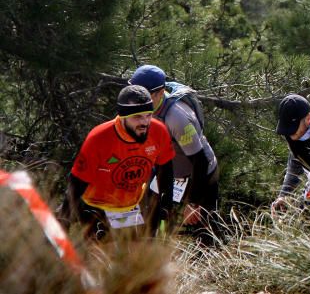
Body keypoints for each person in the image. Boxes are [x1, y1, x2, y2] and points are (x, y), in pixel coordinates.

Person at [58, 85, 175, 240]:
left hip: (131, 206)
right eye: (137, 117)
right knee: (103, 257)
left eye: (148, 115)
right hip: (97, 206)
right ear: (123, 116)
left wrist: (166, 208)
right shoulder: (99, 138)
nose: (145, 122)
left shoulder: (158, 131)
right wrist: (63, 221)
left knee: (138, 255)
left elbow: (165, 170)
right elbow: (77, 183)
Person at [129, 64, 222, 245]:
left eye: (143, 95)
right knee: (149, 218)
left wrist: (194, 203)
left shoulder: (176, 117)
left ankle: (215, 265)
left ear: (159, 92)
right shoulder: (142, 110)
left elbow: (200, 160)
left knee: (205, 230)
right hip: (167, 171)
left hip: (199, 173)